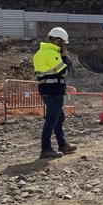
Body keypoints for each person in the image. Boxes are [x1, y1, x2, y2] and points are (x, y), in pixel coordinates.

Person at [33, 27, 77, 159]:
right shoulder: (52, 54)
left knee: (59, 117)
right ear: (58, 41)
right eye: (63, 43)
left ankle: (63, 144)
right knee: (51, 120)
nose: (63, 46)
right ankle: (46, 148)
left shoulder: (38, 54)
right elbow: (65, 72)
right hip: (54, 91)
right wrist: (65, 58)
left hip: (46, 90)